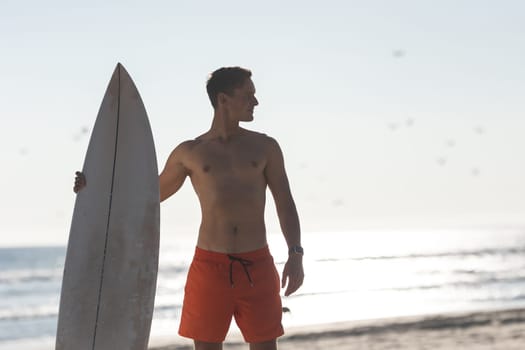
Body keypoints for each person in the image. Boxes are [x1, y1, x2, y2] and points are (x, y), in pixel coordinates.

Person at [74, 67, 304, 350]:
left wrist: (295, 253)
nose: (255, 102)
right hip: (210, 267)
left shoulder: (265, 147)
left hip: (256, 265)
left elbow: (285, 202)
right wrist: (92, 188)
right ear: (223, 99)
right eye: (248, 95)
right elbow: (146, 197)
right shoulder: (190, 152)